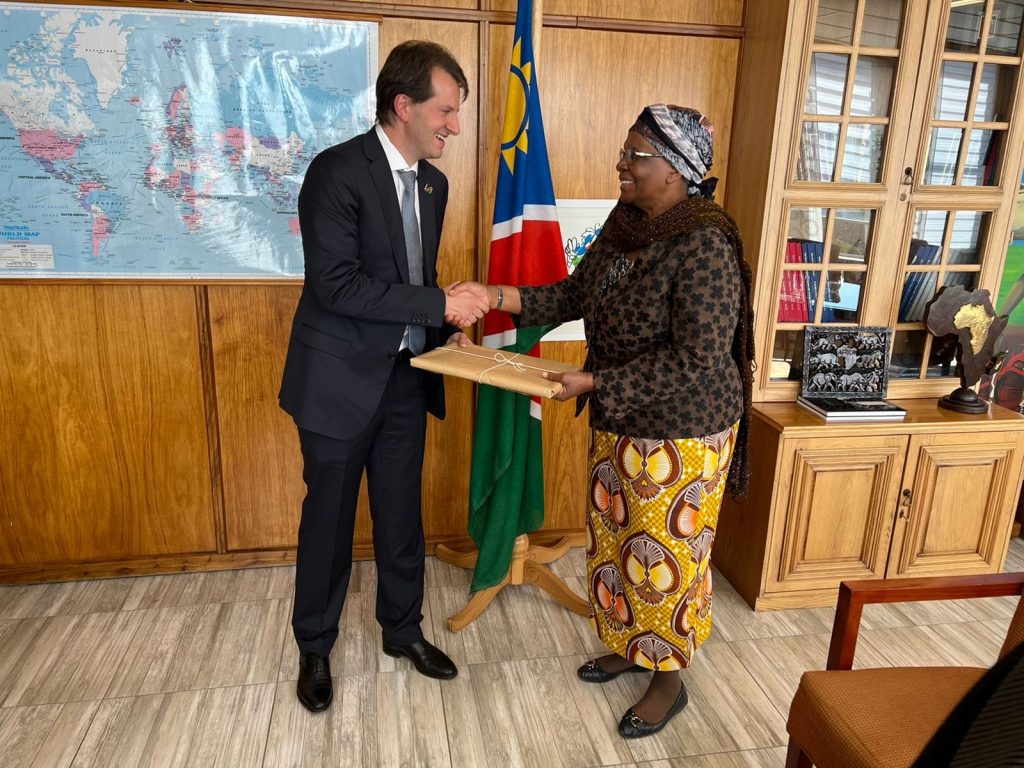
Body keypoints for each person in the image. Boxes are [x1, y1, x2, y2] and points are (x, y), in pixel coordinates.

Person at [451, 104, 754, 737]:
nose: (622, 164)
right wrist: (492, 295)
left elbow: (697, 358)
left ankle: (668, 679)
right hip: (620, 420)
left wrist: (593, 382)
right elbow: (571, 294)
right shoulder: (626, 226)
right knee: (617, 544)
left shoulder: (704, 243)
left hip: (682, 432)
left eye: (635, 155)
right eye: (625, 151)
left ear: (675, 169)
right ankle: (628, 644)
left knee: (665, 557)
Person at [279, 40, 487, 713]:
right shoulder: (336, 172)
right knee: (329, 521)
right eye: (446, 111)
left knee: (402, 516)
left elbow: (415, 278)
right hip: (337, 382)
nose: (455, 125)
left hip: (404, 377)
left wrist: (444, 328)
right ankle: (315, 645)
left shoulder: (434, 184)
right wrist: (438, 304)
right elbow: (337, 285)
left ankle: (403, 631)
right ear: (404, 105)